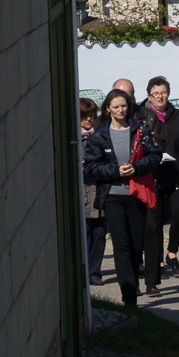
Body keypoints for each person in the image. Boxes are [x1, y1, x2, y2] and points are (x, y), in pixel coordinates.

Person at [83, 89, 163, 304]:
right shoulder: (100, 134)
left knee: (137, 244)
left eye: (124, 106)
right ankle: (129, 296)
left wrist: (136, 167)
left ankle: (134, 281)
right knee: (121, 244)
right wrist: (115, 171)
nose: (120, 110)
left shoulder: (141, 129)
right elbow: (91, 166)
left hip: (136, 194)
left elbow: (155, 156)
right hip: (112, 196)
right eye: (116, 106)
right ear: (108, 109)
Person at [135, 76, 179, 282]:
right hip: (153, 176)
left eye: (163, 92)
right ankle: (157, 263)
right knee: (155, 221)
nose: (160, 97)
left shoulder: (178, 116)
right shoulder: (141, 116)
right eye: (155, 93)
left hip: (176, 174)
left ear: (168, 94)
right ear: (148, 96)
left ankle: (172, 253)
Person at [80, 98, 107, 286]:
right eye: (85, 116)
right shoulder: (73, 138)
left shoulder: (100, 135)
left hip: (99, 192)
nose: (89, 119)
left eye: (91, 115)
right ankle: (81, 270)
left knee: (99, 233)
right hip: (82, 193)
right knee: (84, 233)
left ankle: (94, 272)